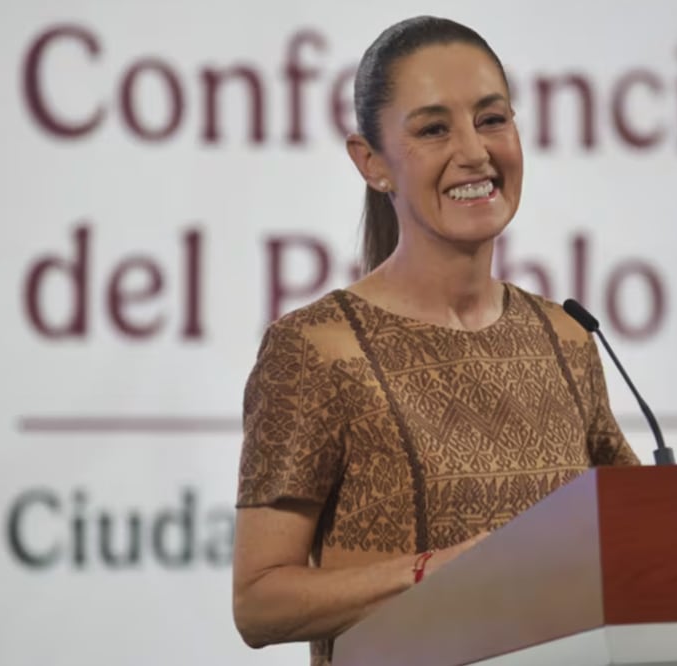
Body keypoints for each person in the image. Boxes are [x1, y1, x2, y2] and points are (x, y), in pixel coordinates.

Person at [231, 15, 640, 665]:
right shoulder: (317, 350)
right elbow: (258, 603)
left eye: (492, 119)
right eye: (432, 129)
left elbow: (637, 543)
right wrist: (443, 571)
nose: (475, 152)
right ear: (372, 163)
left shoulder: (566, 337)